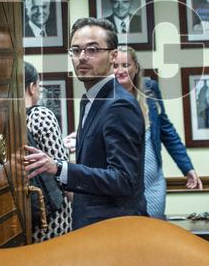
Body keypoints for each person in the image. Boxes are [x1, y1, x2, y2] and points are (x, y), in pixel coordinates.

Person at [25, 17, 145, 229]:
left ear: (113, 55)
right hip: (92, 225)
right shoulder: (91, 99)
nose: (82, 57)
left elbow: (124, 180)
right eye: (76, 50)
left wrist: (60, 168)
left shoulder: (119, 104)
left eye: (92, 50)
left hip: (115, 229)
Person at [112, 46, 201, 219]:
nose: (120, 71)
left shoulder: (150, 90)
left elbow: (166, 130)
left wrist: (187, 167)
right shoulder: (106, 97)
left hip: (153, 183)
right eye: (115, 66)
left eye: (126, 65)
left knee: (154, 235)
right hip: (123, 186)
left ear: (136, 67)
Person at [23, 62, 73, 241]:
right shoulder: (41, 115)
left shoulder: (11, 119)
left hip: (26, 216)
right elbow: (59, 169)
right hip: (51, 217)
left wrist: (61, 143)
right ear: (32, 87)